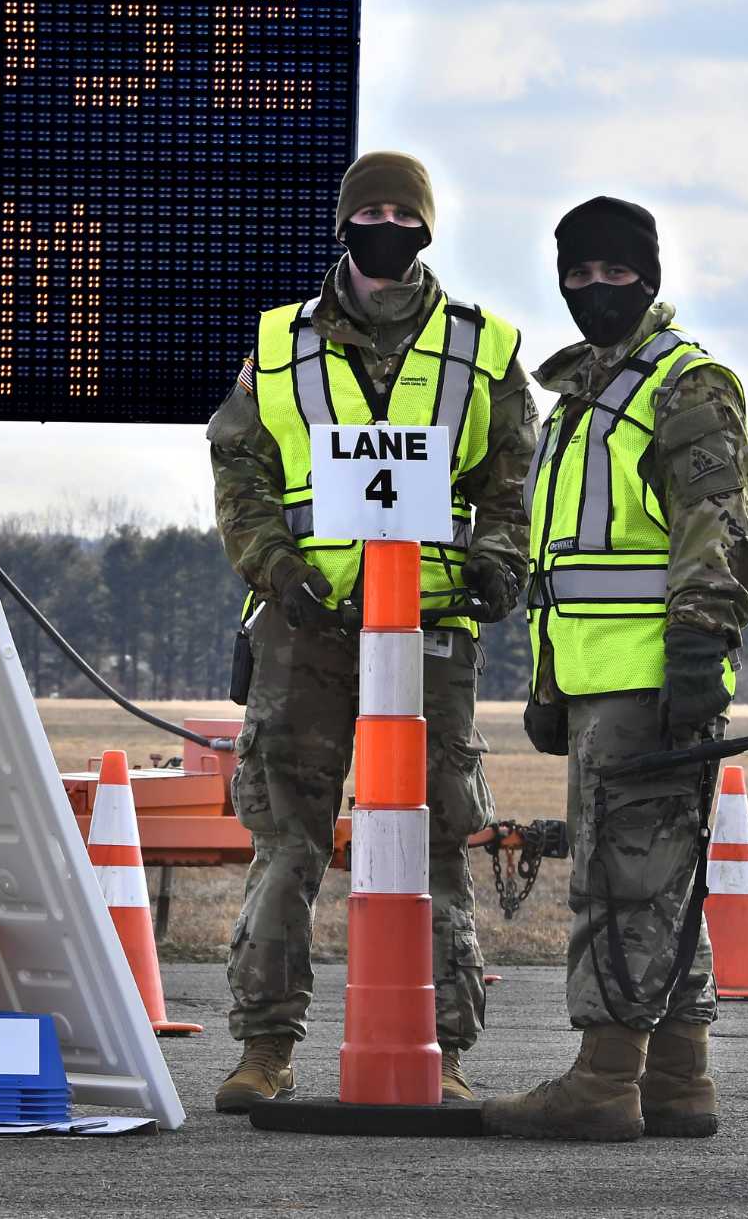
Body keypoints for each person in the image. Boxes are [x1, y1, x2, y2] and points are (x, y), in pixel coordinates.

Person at [207, 151, 537, 1111]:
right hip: (304, 631)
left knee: (436, 841)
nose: (388, 225)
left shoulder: (485, 348)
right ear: (346, 223)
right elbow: (241, 473)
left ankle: (441, 1043)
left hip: (430, 631)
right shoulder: (280, 344)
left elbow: (513, 478)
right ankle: (265, 1048)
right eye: (373, 210)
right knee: (288, 842)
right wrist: (277, 569)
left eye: (405, 211)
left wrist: (498, 561)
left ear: (428, 225)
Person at [482, 196, 748, 1142]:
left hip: (654, 680)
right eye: (579, 273)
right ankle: (681, 1077)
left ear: (649, 274)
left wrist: (695, 660)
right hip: (598, 679)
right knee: (659, 876)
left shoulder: (685, 388)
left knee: (620, 880)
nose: (595, 289)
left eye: (615, 272)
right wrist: (550, 684)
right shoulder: (583, 397)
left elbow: (713, 533)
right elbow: (564, 563)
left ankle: (604, 1078)